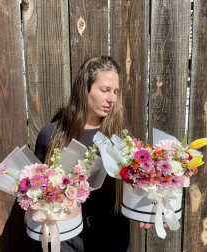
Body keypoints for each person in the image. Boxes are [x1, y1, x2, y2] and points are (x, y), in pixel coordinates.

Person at [26, 56, 131, 252]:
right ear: (85, 89)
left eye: (115, 91)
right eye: (105, 90)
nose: (112, 99)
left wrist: (149, 210)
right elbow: (33, 191)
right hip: (66, 240)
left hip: (111, 238)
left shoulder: (117, 138)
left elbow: (132, 188)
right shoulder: (51, 135)